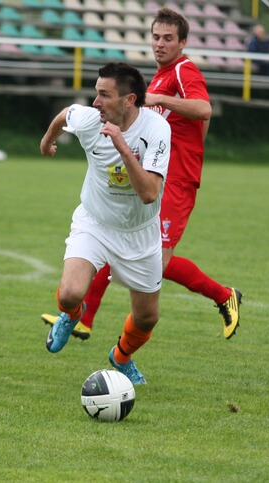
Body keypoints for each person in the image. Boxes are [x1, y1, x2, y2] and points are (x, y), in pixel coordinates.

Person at [41, 8, 242, 341]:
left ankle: (224, 295)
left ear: (183, 42)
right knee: (115, 234)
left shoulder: (183, 70)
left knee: (157, 262)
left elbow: (203, 109)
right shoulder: (160, 76)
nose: (160, 44)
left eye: (168, 38)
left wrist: (180, 136)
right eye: (156, 37)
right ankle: (83, 318)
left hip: (175, 179)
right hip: (156, 172)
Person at [40, 62, 171, 385]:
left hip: (139, 233)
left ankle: (121, 356)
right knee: (70, 294)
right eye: (96, 93)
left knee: (147, 317)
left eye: (104, 95)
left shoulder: (156, 130)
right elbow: (65, 115)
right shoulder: (89, 119)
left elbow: (149, 193)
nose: (95, 102)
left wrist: (122, 147)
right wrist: (47, 140)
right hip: (95, 223)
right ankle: (72, 315)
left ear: (129, 100)